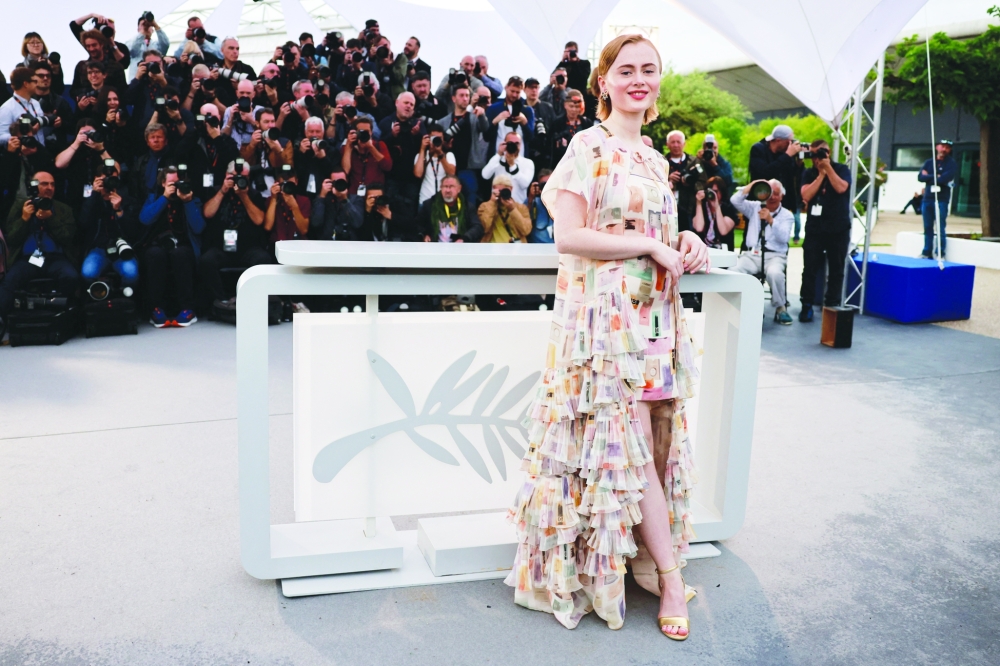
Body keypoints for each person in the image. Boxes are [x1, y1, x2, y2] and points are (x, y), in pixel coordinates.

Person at [506, 33, 709, 639]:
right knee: (631, 444)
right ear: (604, 81)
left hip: (653, 321)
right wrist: (648, 244)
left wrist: (684, 242)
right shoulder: (586, 146)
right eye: (626, 70)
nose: (638, 80)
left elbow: (660, 231)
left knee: (655, 442)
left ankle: (641, 564)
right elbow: (568, 236)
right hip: (602, 323)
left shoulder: (655, 156)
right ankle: (668, 576)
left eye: (649, 70)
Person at [0, 171, 80, 327]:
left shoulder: (63, 209)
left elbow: (68, 237)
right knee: (9, 281)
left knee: (71, 276)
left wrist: (51, 219)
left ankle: (62, 313)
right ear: (34, 186)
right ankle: (2, 320)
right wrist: (24, 219)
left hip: (56, 258)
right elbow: (12, 238)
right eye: (44, 184)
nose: (49, 188)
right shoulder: (21, 207)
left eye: (52, 184)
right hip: (27, 259)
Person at [198, 160, 272, 311]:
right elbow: (207, 213)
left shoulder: (254, 194)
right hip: (221, 248)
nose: (238, 180)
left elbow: (259, 220)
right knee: (206, 261)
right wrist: (222, 191)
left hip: (247, 248)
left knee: (263, 259)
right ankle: (222, 300)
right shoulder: (216, 190)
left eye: (242, 177)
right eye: (234, 176)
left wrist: (244, 197)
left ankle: (252, 299)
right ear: (226, 175)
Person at [138, 165, 205, 327]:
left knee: (180, 254)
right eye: (171, 183)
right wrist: (165, 198)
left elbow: (199, 227)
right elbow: (144, 219)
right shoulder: (154, 197)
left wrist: (187, 202)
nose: (176, 186)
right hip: (157, 245)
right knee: (155, 255)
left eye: (178, 182)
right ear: (163, 184)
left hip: (183, 245)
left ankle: (187, 308)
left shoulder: (191, 198)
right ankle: (156, 308)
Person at [798, 139, 852, 322]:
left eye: (820, 154)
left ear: (828, 152)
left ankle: (831, 305)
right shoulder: (809, 173)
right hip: (815, 228)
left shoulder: (842, 169)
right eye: (813, 155)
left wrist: (828, 169)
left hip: (838, 228)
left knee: (836, 269)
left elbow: (841, 188)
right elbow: (806, 194)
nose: (816, 158)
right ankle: (807, 304)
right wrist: (820, 175)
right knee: (810, 268)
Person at [729, 179, 794, 324]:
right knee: (734, 269)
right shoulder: (754, 207)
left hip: (775, 256)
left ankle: (781, 308)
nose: (772, 197)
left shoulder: (786, 215)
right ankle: (739, 305)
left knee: (775, 273)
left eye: (776, 194)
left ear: (781, 196)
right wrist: (753, 185)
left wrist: (771, 220)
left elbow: (784, 238)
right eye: (768, 192)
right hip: (752, 254)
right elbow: (734, 200)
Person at [78, 163, 140, 288]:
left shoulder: (128, 201)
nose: (109, 182)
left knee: (131, 273)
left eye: (113, 179)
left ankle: (124, 299)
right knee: (88, 273)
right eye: (106, 179)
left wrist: (119, 211)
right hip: (98, 248)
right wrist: (94, 195)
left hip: (122, 249)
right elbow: (83, 223)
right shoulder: (91, 200)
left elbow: (133, 232)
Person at [439, 85, 490, 206]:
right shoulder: (443, 121)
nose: (465, 98)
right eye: (461, 95)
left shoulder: (475, 117)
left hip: (469, 168)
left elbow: (485, 129)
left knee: (470, 202)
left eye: (467, 95)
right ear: (453, 98)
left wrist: (482, 115)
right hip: (449, 168)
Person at [748, 124, 800, 216]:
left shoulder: (785, 153)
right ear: (778, 140)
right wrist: (787, 155)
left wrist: (799, 163)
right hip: (761, 201)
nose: (791, 145)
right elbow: (764, 172)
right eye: (789, 142)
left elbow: (792, 176)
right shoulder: (758, 149)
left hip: (782, 204)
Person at [918, 139, 958, 259]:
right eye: (942, 147)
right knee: (927, 226)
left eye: (947, 147)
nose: (944, 149)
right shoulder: (929, 162)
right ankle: (926, 252)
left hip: (941, 198)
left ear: (949, 150)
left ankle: (940, 252)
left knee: (940, 226)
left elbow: (944, 179)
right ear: (937, 147)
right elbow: (920, 177)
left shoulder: (951, 163)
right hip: (928, 198)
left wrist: (929, 176)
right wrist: (935, 176)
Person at [418, 174, 482, 242]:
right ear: (441, 188)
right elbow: (418, 225)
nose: (448, 190)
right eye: (445, 186)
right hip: (435, 248)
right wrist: (424, 234)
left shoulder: (467, 206)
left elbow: (477, 227)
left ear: (459, 189)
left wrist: (464, 238)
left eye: (451, 187)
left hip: (459, 248)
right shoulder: (429, 205)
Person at [341, 116, 392, 196]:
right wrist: (348, 147)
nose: (363, 134)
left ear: (371, 132)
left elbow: (387, 167)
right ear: (355, 132)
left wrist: (371, 148)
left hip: (376, 193)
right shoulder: (347, 147)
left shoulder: (379, 145)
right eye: (360, 132)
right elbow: (345, 171)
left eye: (367, 132)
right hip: (355, 193)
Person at [486, 76, 535, 156]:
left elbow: (531, 138)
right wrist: (496, 121)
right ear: (506, 87)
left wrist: (524, 123)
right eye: (512, 91)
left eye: (518, 92)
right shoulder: (494, 108)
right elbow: (486, 137)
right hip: (498, 157)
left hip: (520, 158)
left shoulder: (527, 110)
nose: (514, 95)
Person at [481, 132, 534, 203]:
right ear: (504, 143)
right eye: (510, 143)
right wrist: (499, 154)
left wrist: (512, 165)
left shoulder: (527, 163)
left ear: (521, 145)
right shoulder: (497, 160)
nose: (514, 146)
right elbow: (485, 175)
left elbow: (525, 184)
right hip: (498, 205)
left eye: (517, 143)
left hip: (518, 206)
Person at [0, 67, 47, 149]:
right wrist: (20, 136)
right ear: (25, 84)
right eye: (35, 81)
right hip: (23, 155)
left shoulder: (36, 103)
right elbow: (1, 135)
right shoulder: (7, 108)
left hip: (41, 153)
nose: (38, 84)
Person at [310, 171, 363, 240]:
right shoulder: (324, 200)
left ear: (347, 181)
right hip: (327, 243)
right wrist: (321, 196)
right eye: (335, 182)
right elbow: (316, 223)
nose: (339, 184)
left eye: (341, 181)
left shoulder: (356, 199)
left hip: (349, 244)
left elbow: (357, 223)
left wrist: (345, 200)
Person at [664, 130, 699, 232]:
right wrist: (668, 179)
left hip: (689, 209)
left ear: (684, 144)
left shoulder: (694, 162)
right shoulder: (661, 162)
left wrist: (690, 182)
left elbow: (703, 182)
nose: (676, 145)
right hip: (667, 210)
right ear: (667, 144)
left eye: (678, 142)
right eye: (672, 142)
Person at [478, 174, 530, 243]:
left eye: (505, 190)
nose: (502, 193)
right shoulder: (484, 206)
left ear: (511, 189)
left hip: (515, 250)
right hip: (492, 249)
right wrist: (492, 203)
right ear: (493, 189)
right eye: (499, 190)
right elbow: (484, 228)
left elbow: (526, 231)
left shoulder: (521, 208)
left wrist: (513, 210)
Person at [549, 88, 594, 165]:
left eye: (577, 107)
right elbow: (551, 149)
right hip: (562, 164)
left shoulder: (587, 123)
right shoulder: (557, 123)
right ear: (565, 105)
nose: (574, 110)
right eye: (571, 106)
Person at [413, 124, 455, 205]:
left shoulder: (449, 155)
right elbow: (418, 174)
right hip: (425, 200)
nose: (436, 140)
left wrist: (440, 154)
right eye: (434, 137)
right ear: (428, 138)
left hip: (443, 201)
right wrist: (422, 149)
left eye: (439, 138)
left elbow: (451, 173)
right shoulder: (421, 156)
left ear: (443, 140)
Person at [692, 176, 737, 252]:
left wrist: (717, 207)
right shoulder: (701, 207)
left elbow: (723, 231)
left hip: (723, 250)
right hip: (704, 250)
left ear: (722, 193)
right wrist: (698, 203)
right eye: (710, 191)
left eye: (716, 192)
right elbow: (699, 228)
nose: (713, 194)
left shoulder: (729, 208)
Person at [523, 77, 555, 169]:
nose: (534, 90)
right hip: (526, 149)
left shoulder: (547, 108)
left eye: (536, 87)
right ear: (525, 89)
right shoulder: (521, 107)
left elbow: (553, 129)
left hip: (543, 151)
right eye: (531, 87)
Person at [126, 13, 169, 79]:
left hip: (155, 78)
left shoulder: (156, 44)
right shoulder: (130, 42)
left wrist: (155, 25)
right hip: (137, 79)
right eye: (142, 25)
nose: (146, 27)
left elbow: (165, 45)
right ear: (138, 29)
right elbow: (133, 50)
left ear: (152, 30)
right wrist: (142, 33)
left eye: (149, 26)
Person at [525, 169, 554, 243]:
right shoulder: (534, 202)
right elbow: (523, 222)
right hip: (537, 248)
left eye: (550, 183)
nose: (547, 187)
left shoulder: (563, 200)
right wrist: (530, 199)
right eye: (544, 184)